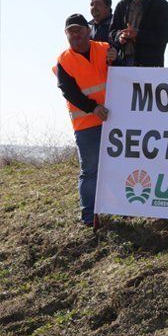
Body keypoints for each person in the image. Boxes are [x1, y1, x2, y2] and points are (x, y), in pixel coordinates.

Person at [54, 14, 117, 226]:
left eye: (79, 29)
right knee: (90, 170)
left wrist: (118, 55)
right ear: (66, 34)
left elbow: (122, 68)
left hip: (115, 119)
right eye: (70, 31)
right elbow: (68, 91)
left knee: (118, 165)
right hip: (86, 125)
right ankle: (89, 216)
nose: (75, 34)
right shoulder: (64, 60)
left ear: (88, 30)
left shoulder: (105, 47)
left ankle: (120, 209)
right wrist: (93, 108)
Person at [109, 0, 168, 66]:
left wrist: (137, 35)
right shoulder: (122, 5)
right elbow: (112, 32)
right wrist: (120, 35)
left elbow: (164, 36)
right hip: (123, 62)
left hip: (150, 64)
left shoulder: (159, 4)